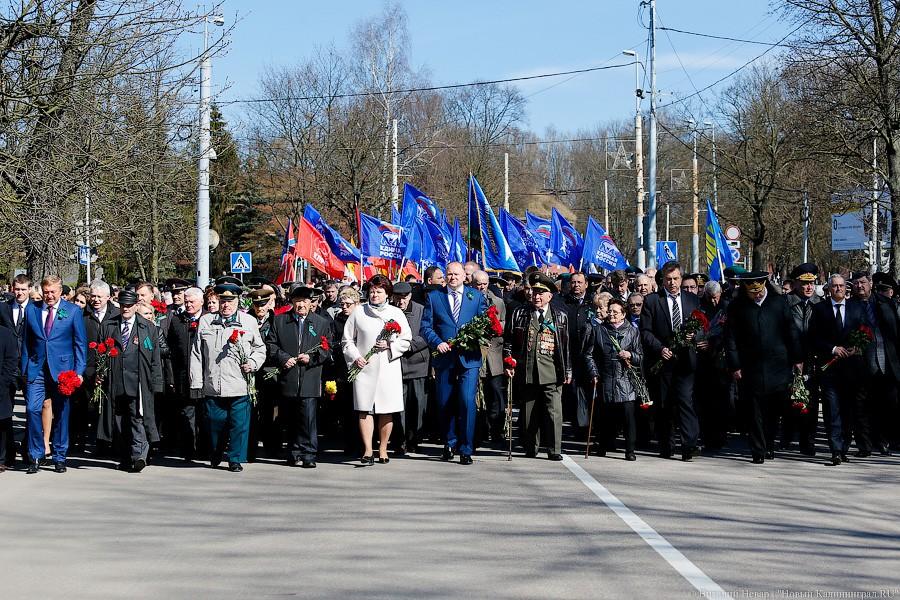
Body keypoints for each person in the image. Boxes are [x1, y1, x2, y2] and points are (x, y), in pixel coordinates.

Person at [724, 272, 802, 464]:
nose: (757, 296)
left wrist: (797, 358)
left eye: (759, 292)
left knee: (774, 409)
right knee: (754, 410)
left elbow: (791, 330)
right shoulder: (737, 307)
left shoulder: (779, 303)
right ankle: (758, 449)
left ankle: (769, 443)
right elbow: (731, 338)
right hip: (751, 366)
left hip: (778, 365)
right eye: (752, 293)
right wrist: (734, 364)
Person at [191, 279, 266, 472]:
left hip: (239, 383)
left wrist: (253, 363)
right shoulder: (206, 321)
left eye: (230, 301)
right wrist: (197, 382)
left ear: (237, 302)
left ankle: (235, 459)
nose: (226, 305)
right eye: (223, 301)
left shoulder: (248, 322)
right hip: (213, 384)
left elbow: (260, 348)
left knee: (239, 424)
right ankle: (216, 452)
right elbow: (197, 353)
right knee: (215, 423)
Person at [420, 261, 488, 465]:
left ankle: (466, 448)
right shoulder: (434, 297)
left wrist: (475, 337)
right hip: (445, 358)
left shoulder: (475, 297)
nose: (452, 278)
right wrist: (437, 342)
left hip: (469, 359)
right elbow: (426, 326)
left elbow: (485, 324)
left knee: (467, 402)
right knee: (445, 402)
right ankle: (449, 442)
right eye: (449, 274)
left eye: (456, 274)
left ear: (464, 277)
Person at [21, 275, 87, 474]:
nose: (49, 296)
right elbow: (26, 343)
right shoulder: (32, 310)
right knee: (32, 409)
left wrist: (79, 372)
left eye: (53, 292)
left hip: (62, 371)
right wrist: (25, 370)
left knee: (62, 413)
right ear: (42, 291)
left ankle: (59, 456)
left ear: (60, 292)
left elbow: (80, 344)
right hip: (37, 369)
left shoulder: (73, 311)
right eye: (46, 292)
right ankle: (36, 454)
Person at [342, 275, 411, 464]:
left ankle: (383, 449)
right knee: (365, 408)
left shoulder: (396, 313)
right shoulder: (359, 312)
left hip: (388, 367)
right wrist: (356, 357)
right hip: (365, 368)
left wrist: (390, 346)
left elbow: (406, 339)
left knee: (386, 409)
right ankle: (367, 450)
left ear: (387, 294)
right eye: (372, 291)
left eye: (379, 292)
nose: (374, 295)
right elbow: (347, 340)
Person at [504, 272, 571, 461]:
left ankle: (554, 449)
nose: (537, 296)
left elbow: (565, 347)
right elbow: (509, 341)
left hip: (552, 371)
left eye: (541, 292)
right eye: (534, 292)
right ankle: (530, 447)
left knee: (554, 412)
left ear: (550, 295)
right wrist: (508, 361)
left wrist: (567, 370)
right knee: (529, 412)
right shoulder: (520, 313)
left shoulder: (560, 316)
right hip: (528, 370)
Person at [266, 286, 334, 468]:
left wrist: (311, 358)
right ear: (292, 303)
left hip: (310, 378)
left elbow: (327, 349)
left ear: (311, 303)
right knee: (289, 418)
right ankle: (293, 452)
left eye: (305, 301)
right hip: (288, 377)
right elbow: (271, 345)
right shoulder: (280, 321)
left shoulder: (320, 323)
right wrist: (283, 358)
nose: (301, 305)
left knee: (308, 418)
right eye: (297, 302)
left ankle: (309, 453)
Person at [639, 262, 701, 461]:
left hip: (686, 360)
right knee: (664, 405)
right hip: (663, 361)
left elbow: (702, 325)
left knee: (685, 401)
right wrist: (660, 348)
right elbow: (645, 332)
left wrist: (696, 335)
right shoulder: (652, 301)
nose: (672, 283)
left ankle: (689, 445)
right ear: (662, 280)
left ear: (681, 279)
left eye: (675, 279)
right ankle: (666, 444)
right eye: (668, 279)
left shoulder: (692, 300)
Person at [97, 290, 164, 472]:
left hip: (139, 381)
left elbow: (154, 358)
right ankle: (127, 458)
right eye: (123, 305)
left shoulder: (147, 327)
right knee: (119, 421)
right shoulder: (109, 325)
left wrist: (157, 383)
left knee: (138, 418)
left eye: (129, 305)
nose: (126, 308)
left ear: (136, 305)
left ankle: (139, 455)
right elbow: (100, 354)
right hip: (116, 382)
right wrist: (100, 374)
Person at [810, 274, 868, 465]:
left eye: (842, 286)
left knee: (848, 410)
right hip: (830, 368)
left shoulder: (856, 307)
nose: (838, 289)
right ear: (828, 289)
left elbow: (866, 331)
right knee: (832, 409)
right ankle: (835, 449)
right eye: (834, 286)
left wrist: (857, 347)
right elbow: (814, 337)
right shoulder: (820, 309)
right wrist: (833, 348)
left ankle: (844, 447)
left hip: (852, 368)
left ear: (846, 288)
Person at [585, 298, 644, 460]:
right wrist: (594, 373)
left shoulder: (632, 331)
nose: (611, 314)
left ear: (623, 314)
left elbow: (640, 356)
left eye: (615, 312)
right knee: (605, 416)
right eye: (609, 311)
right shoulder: (599, 330)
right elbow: (589, 355)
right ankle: (602, 445)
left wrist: (630, 355)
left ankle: (630, 450)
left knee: (628, 417)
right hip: (606, 377)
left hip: (626, 381)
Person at [850, 271, 898, 456]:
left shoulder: (884, 303)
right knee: (861, 405)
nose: (859, 286)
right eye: (856, 283)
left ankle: (883, 440)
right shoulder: (850, 305)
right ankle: (865, 445)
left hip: (886, 360)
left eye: (862, 282)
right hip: (861, 362)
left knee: (886, 403)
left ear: (870, 283)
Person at [784, 263, 822, 455]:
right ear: (796, 283)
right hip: (789, 359)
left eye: (812, 283)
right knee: (789, 399)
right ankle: (786, 435)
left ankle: (808, 441)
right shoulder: (786, 303)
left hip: (812, 360)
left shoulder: (820, 304)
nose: (809, 287)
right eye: (805, 283)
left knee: (812, 401)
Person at [390, 281, 430, 454]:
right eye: (397, 297)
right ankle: (400, 440)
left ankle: (414, 439)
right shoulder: (389, 311)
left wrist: (409, 346)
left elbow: (427, 333)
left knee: (417, 404)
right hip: (396, 364)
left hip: (418, 363)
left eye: (404, 297)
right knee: (399, 406)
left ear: (410, 296)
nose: (401, 301)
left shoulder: (421, 310)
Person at [166, 286, 205, 461]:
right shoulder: (177, 320)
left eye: (192, 301)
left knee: (204, 414)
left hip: (204, 375)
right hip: (183, 375)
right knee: (187, 413)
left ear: (201, 301)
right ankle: (189, 449)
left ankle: (204, 447)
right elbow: (171, 349)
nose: (188, 304)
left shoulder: (209, 320)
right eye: (186, 301)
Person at [472, 271, 507, 444]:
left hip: (494, 355)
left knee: (495, 395)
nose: (482, 287)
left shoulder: (498, 302)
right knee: (477, 397)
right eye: (478, 283)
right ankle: (479, 431)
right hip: (475, 354)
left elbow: (505, 325)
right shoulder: (469, 299)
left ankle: (497, 430)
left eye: (484, 284)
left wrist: (495, 325)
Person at [0, 323, 17, 472]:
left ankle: (1, 458)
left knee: (2, 424)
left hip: (1, 386)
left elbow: (10, 360)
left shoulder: (5, 334)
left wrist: (3, 383)